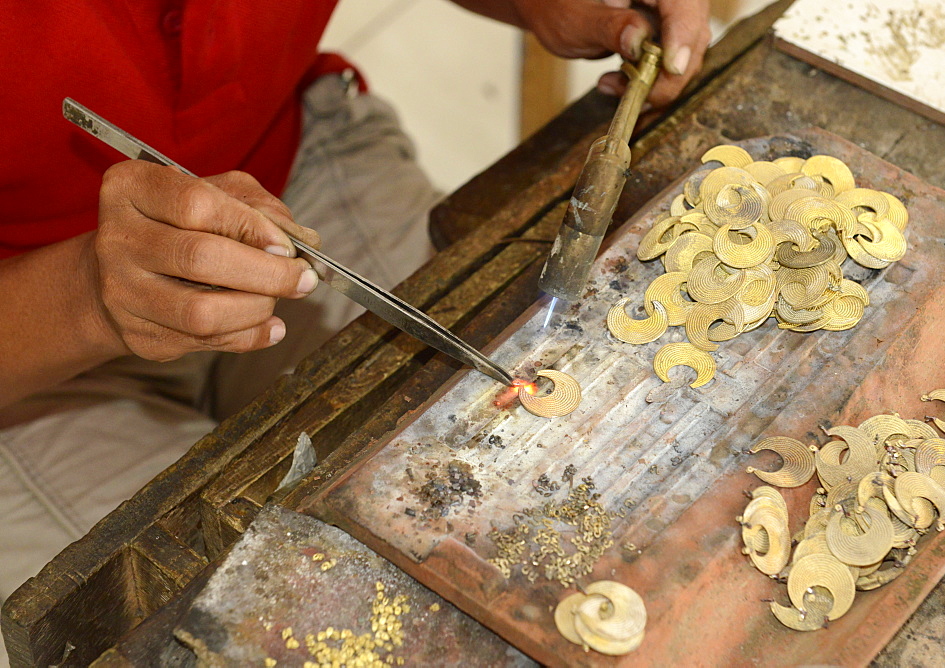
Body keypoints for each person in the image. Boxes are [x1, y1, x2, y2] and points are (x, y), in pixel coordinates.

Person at [0, 0, 709, 625]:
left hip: (287, 173)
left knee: (549, 486)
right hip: (33, 344)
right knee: (255, 622)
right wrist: (83, 297)